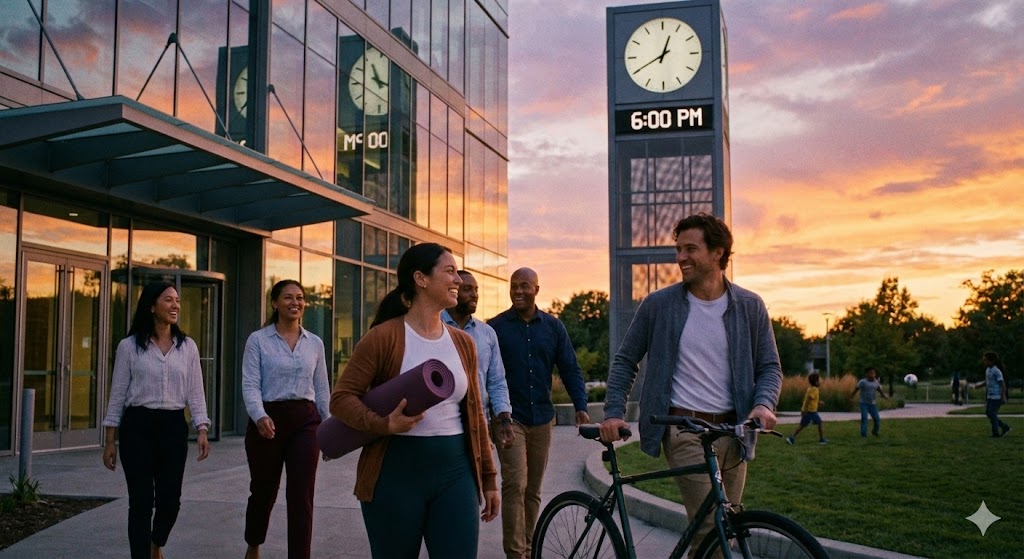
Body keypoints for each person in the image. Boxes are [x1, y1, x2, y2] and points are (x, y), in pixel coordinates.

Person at [598, 213, 782, 558]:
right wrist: (612, 413)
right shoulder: (659, 305)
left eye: (690, 249)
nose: (680, 257)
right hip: (684, 429)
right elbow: (625, 361)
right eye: (678, 248)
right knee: (713, 531)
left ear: (718, 253)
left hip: (734, 430)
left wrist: (764, 404)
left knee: (726, 526)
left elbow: (770, 367)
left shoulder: (749, 306)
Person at [330, 243, 499, 559]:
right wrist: (384, 424)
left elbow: (476, 415)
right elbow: (341, 399)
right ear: (421, 279)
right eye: (449, 271)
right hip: (395, 474)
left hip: (456, 473)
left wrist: (489, 479)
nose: (458, 280)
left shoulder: (464, 343)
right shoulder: (384, 337)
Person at [102, 281, 211, 559]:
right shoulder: (129, 347)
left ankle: (155, 544)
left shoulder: (187, 347)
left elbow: (196, 391)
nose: (175, 305)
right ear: (151, 306)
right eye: (168, 300)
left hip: (173, 427)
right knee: (140, 502)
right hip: (137, 427)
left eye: (177, 301)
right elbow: (117, 395)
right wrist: (110, 440)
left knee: (170, 501)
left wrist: (201, 428)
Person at [489, 267, 591, 559]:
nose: (518, 291)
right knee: (514, 485)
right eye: (513, 286)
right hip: (509, 419)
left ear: (536, 289)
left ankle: (529, 547)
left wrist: (581, 406)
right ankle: (515, 553)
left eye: (524, 286)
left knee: (532, 490)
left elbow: (570, 368)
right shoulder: (495, 328)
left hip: (542, 420)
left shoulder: (553, 328)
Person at [242, 279, 331, 559]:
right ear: (274, 303)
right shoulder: (258, 340)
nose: (296, 302)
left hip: (306, 422)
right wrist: (259, 416)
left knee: (301, 494)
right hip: (268, 420)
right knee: (263, 491)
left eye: (300, 298)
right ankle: (253, 543)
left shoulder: (314, 343)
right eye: (288, 297)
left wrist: (329, 429)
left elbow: (322, 389)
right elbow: (250, 385)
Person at [442, 270, 515, 448]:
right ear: (453, 291)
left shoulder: (487, 333)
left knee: (483, 475)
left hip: (478, 423)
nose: (474, 294)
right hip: (441, 425)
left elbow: (497, 381)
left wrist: (505, 419)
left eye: (476, 289)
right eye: (467, 289)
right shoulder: (434, 327)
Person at [974, 351, 1011, 437]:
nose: (984, 362)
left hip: (997, 396)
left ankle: (995, 433)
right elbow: (988, 381)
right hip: (990, 396)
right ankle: (1005, 427)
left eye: (986, 360)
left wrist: (1003, 396)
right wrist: (980, 385)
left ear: (991, 361)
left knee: (992, 413)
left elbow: (1003, 384)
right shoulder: (988, 370)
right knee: (989, 413)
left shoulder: (996, 371)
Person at [786, 372, 828, 445]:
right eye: (819, 380)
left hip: (808, 412)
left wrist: (818, 402)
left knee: (802, 425)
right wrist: (805, 410)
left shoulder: (810, 389)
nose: (820, 381)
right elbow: (809, 398)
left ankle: (791, 438)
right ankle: (821, 440)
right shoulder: (814, 389)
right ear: (816, 382)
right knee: (820, 423)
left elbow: (811, 399)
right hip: (811, 412)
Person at [851, 366, 889, 437]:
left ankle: (875, 431)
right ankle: (863, 433)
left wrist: (884, 395)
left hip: (872, 404)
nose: (872, 375)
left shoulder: (876, 382)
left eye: (874, 373)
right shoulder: (862, 382)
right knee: (864, 418)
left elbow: (879, 390)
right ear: (866, 374)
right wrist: (851, 396)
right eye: (871, 373)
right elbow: (856, 389)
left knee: (877, 419)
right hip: (863, 403)